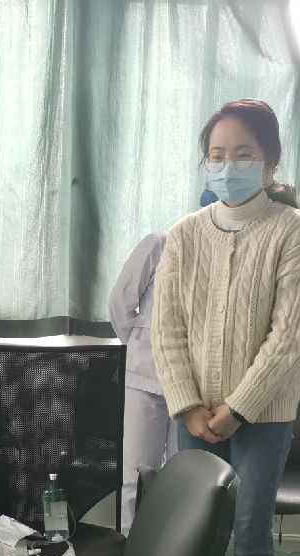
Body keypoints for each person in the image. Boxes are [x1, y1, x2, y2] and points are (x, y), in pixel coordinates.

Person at [152, 99, 300, 556]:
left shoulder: (295, 232)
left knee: (250, 535)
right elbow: (167, 327)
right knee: (200, 535)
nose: (229, 166)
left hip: (264, 415)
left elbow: (295, 335)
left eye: (244, 154)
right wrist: (189, 406)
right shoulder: (185, 234)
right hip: (195, 415)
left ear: (270, 162)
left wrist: (238, 409)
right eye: (217, 155)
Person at [109, 191, 218, 535]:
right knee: (136, 472)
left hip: (193, 388)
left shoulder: (228, 258)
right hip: (146, 377)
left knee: (180, 476)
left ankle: (170, 551)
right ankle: (129, 546)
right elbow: (120, 303)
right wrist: (140, 342)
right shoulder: (160, 243)